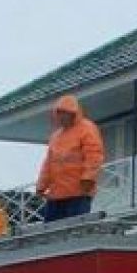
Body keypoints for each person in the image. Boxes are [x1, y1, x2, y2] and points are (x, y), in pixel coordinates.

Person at [37, 94, 104, 223]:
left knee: (74, 230)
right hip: (56, 194)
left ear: (73, 113)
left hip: (79, 192)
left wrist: (88, 178)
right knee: (50, 232)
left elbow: (94, 155)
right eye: (59, 113)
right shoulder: (55, 136)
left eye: (65, 113)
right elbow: (48, 163)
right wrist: (41, 185)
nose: (61, 116)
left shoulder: (87, 129)